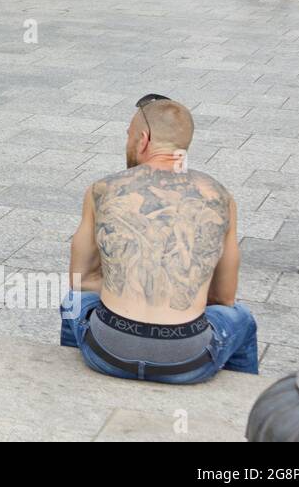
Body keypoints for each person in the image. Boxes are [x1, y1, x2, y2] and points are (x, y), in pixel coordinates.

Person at [61, 95, 258, 384]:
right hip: (188, 360)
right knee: (242, 317)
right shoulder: (219, 196)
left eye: (128, 136)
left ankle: (68, 378)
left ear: (144, 139)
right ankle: (240, 399)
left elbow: (80, 282)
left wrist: (132, 281)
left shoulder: (102, 189)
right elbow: (224, 297)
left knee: (74, 301)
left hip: (106, 352)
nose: (128, 143)